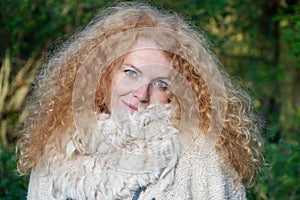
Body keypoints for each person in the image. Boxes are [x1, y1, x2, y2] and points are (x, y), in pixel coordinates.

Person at [17, 2, 263, 199]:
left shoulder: (200, 158)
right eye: (131, 73)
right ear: (105, 74)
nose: (141, 94)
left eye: (160, 83)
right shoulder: (57, 147)